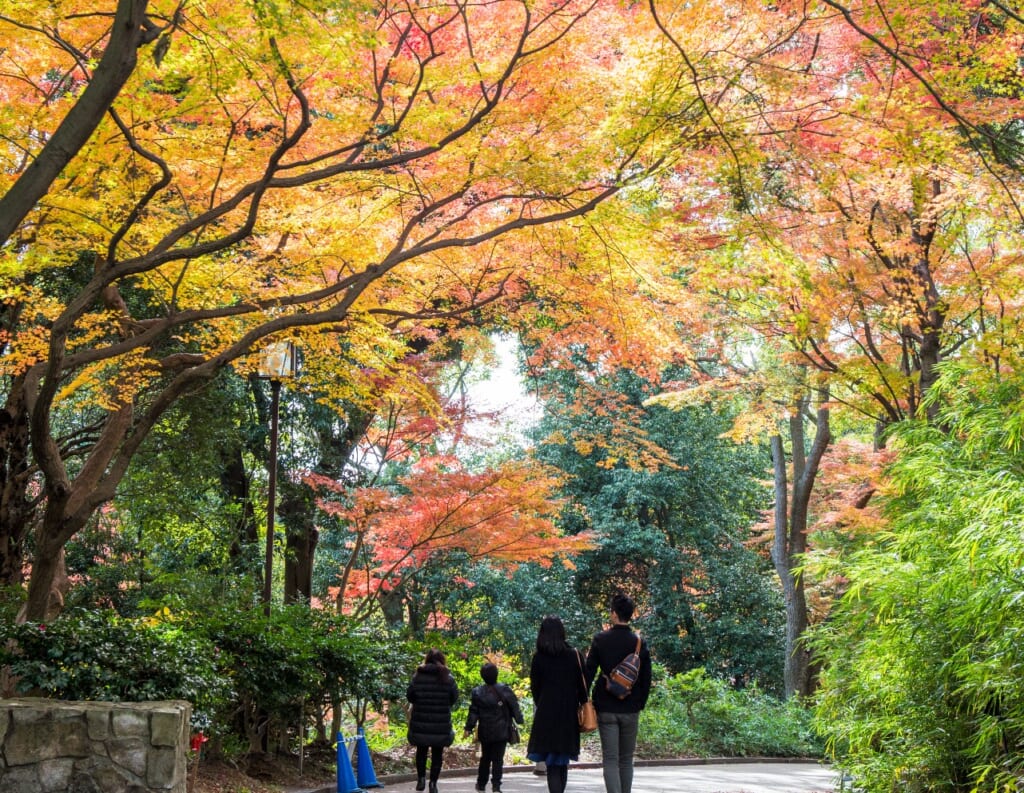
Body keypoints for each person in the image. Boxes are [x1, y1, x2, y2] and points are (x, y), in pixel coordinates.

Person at [584, 593, 653, 793]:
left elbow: (589, 671)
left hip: (606, 706)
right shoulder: (639, 642)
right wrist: (640, 702)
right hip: (631, 707)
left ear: (614, 614)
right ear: (630, 615)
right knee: (626, 759)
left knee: (611, 759)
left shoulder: (600, 639)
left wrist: (584, 699)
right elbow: (646, 677)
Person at [526, 615, 589, 793]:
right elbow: (583, 684)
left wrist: (543, 702)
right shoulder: (574, 655)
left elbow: (535, 688)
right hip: (568, 713)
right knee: (562, 761)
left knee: (552, 763)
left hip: (546, 714)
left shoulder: (538, 658)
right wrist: (581, 703)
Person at [463, 662, 525, 792]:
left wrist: (469, 728)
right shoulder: (505, 689)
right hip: (502, 730)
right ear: (496, 674)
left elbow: (473, 711)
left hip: (485, 730)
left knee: (485, 758)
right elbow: (515, 707)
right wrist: (519, 720)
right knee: (498, 759)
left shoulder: (477, 692)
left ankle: (481, 784)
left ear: (482, 676)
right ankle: (496, 785)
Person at [407, 648, 459, 793]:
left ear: (427, 660)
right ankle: (433, 784)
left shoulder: (418, 676)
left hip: (421, 720)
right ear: (442, 660)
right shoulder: (448, 678)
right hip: (440, 722)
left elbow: (410, 696)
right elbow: (454, 697)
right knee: (437, 753)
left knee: (421, 751)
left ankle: (421, 779)